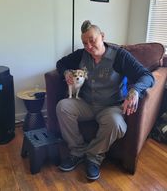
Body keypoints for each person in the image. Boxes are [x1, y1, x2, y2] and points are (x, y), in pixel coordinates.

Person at [56, 20, 154, 180]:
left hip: (111, 106)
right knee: (63, 107)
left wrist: (135, 90)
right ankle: (77, 151)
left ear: (102, 36)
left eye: (92, 40)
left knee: (117, 124)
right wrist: (66, 73)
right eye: (84, 42)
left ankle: (93, 157)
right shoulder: (82, 54)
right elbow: (61, 63)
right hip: (85, 103)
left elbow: (147, 76)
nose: (88, 46)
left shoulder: (120, 55)